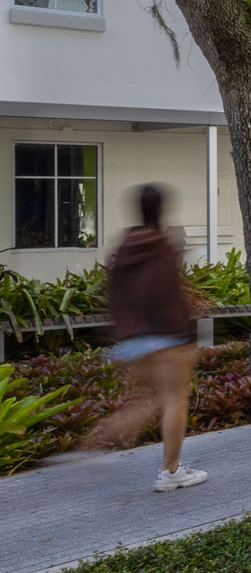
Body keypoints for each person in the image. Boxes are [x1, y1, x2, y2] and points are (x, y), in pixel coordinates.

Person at [87, 184, 205, 492]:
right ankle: (172, 472)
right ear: (162, 209)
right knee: (174, 400)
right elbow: (167, 294)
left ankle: (89, 447)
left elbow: (114, 291)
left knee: (151, 401)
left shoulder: (124, 246)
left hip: (132, 339)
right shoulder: (162, 247)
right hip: (166, 336)